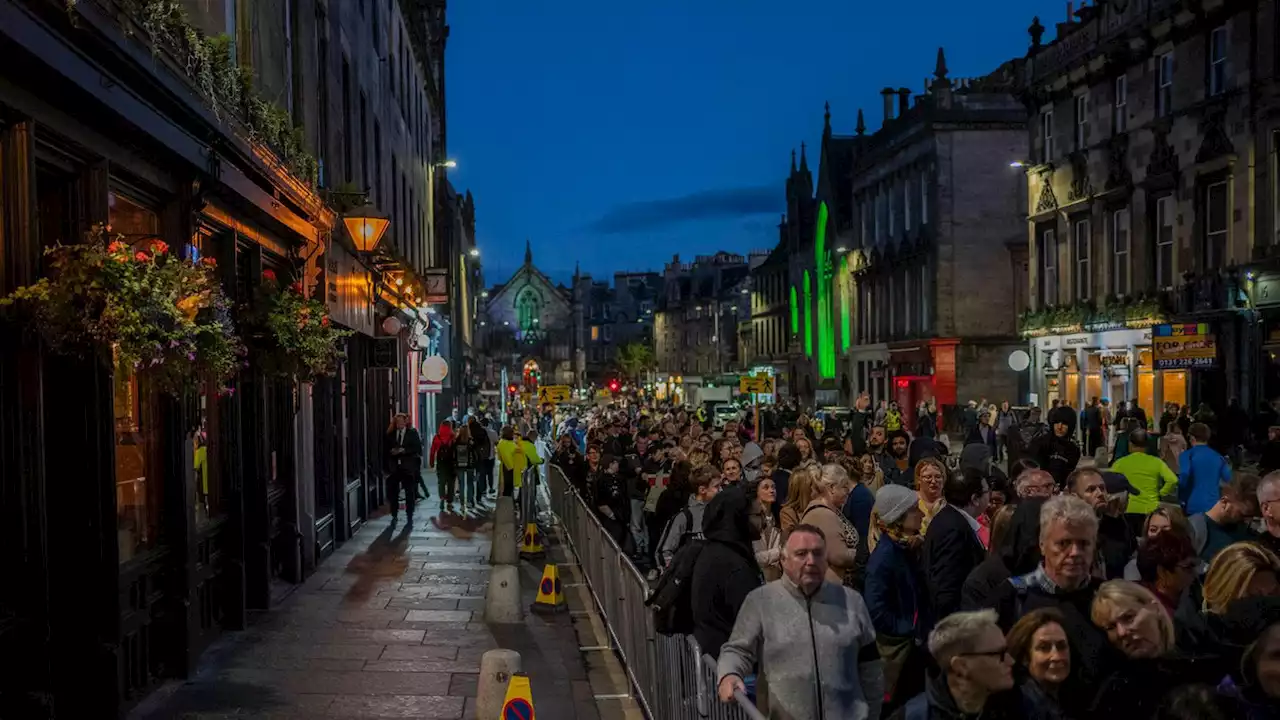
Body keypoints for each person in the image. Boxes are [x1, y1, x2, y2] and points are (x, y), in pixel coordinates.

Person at [717, 524, 885, 720]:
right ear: (783, 560)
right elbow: (738, 649)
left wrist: (872, 713)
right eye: (801, 554)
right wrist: (729, 674)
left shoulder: (852, 601)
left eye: (818, 553)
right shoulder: (761, 601)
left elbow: (870, 665)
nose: (811, 561)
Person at [865, 485, 930, 712]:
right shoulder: (884, 557)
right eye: (915, 510)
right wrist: (908, 628)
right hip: (901, 650)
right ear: (898, 517)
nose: (921, 514)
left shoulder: (903, 547)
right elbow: (876, 610)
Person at [890, 609, 1022, 720]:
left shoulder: (1020, 706)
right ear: (961, 666)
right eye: (999, 654)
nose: (1011, 661)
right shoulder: (913, 716)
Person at [691, 487, 764, 660]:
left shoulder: (715, 550)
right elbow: (752, 624)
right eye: (758, 515)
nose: (764, 522)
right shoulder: (734, 566)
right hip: (731, 664)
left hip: (717, 654)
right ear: (738, 519)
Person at [923, 468, 989, 620]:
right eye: (986, 491)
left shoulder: (951, 519)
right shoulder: (954, 530)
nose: (989, 495)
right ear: (975, 499)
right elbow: (947, 589)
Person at [802, 463, 861, 589]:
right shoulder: (822, 514)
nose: (848, 491)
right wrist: (862, 554)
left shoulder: (831, 510)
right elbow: (839, 556)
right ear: (832, 488)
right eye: (845, 487)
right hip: (829, 591)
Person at [1005, 608, 1071, 720]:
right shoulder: (1020, 707)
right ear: (1025, 658)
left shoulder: (1072, 701)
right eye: (1044, 648)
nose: (1056, 656)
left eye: (1061, 646)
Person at [1112, 427, 1179, 536]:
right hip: (1150, 509)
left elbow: (1111, 483)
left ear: (1130, 444)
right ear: (1147, 445)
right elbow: (1173, 480)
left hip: (1128, 509)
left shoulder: (1120, 463)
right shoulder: (1156, 462)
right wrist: (1161, 493)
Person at [657, 464, 721, 567]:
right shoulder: (684, 517)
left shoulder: (721, 511)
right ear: (702, 490)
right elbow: (664, 551)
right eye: (716, 486)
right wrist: (677, 575)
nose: (720, 490)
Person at [1189, 473, 1261, 562]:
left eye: (1252, 516)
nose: (1247, 521)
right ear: (1225, 502)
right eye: (1243, 514)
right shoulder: (1193, 530)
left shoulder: (1248, 534)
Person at [1180, 422, 1233, 516]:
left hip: (1193, 504)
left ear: (1192, 437)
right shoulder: (1218, 457)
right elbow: (1228, 478)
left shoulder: (1187, 455)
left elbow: (1184, 477)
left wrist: (1181, 498)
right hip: (1214, 505)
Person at [385, 413, 423, 525]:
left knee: (409, 493)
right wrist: (392, 452)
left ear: (405, 422)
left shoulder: (412, 433)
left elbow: (417, 448)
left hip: (408, 467)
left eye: (401, 422)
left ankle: (409, 514)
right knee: (393, 492)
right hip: (395, 468)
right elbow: (385, 449)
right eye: (397, 422)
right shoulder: (391, 434)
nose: (399, 424)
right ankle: (394, 514)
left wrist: (404, 450)